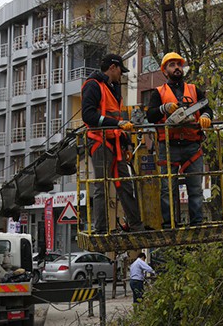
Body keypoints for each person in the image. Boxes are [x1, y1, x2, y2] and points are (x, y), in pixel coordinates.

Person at [147, 52, 213, 228]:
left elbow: (207, 107)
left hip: (192, 145)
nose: (177, 67)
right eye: (172, 65)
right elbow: (150, 115)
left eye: (179, 64)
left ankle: (197, 222)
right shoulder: (159, 92)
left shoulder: (193, 89)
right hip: (168, 146)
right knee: (167, 188)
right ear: (165, 70)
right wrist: (164, 108)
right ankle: (169, 223)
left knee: (195, 188)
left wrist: (206, 116)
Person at [82, 53, 144, 234]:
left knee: (125, 184)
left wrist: (127, 143)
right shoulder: (93, 86)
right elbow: (88, 116)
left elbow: (116, 118)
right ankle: (100, 229)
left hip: (115, 141)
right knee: (102, 185)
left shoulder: (113, 88)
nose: (121, 75)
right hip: (99, 141)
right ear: (113, 68)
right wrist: (117, 124)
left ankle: (136, 225)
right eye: (120, 71)